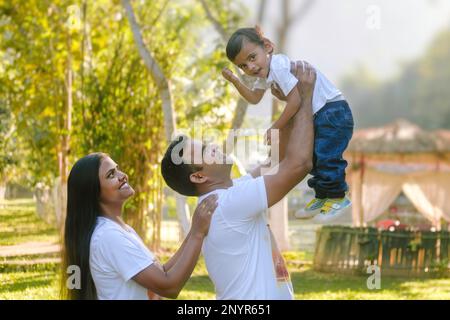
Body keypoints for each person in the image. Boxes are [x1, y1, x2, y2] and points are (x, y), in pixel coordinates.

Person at [161, 62, 316, 299]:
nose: (213, 146)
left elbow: (276, 161)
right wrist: (305, 97)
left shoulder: (229, 194)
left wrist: (288, 105)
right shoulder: (227, 204)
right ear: (199, 175)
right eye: (204, 150)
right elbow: (299, 164)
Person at [222, 26, 354, 222]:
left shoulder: (278, 67)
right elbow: (254, 98)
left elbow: (295, 101)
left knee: (326, 155)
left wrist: (276, 126)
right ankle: (322, 196)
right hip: (317, 114)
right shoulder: (265, 75)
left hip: (332, 111)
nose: (250, 67)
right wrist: (234, 80)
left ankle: (337, 197)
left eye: (252, 58)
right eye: (242, 66)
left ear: (267, 47)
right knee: (313, 156)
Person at [61, 152, 218, 300]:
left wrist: (194, 230)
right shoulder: (108, 236)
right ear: (94, 193)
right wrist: (197, 233)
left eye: (117, 169)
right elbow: (169, 287)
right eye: (111, 175)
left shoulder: (121, 229)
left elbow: (161, 272)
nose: (122, 176)